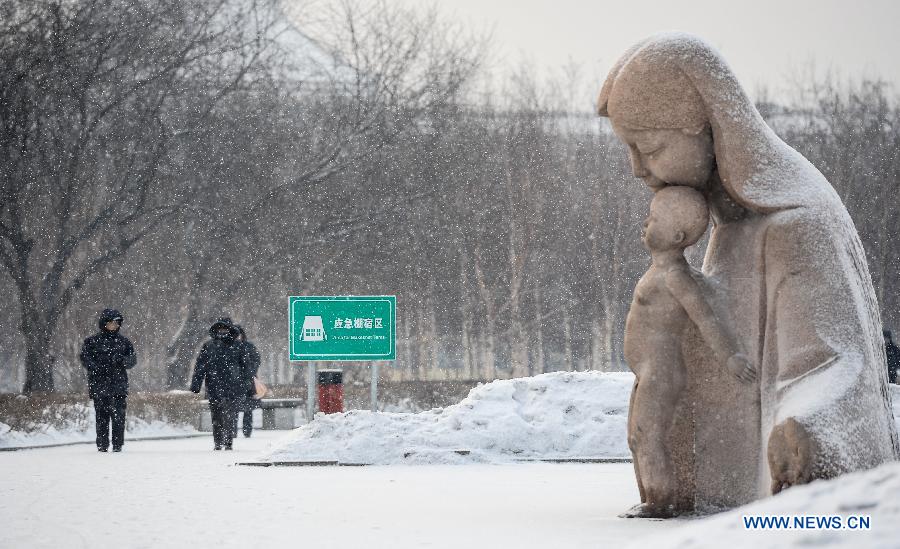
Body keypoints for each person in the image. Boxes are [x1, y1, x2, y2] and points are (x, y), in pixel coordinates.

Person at [597, 33, 899, 510]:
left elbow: (833, 365)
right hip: (729, 513)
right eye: (630, 150)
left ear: (706, 125)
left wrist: (803, 429)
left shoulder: (799, 224)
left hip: (796, 522)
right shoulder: (733, 224)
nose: (637, 168)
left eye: (650, 148)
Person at [624, 187, 756, 517]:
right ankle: (657, 497)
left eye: (654, 219)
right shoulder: (661, 271)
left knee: (648, 436)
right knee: (639, 438)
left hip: (661, 371)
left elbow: (705, 317)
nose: (645, 223)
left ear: (678, 234)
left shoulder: (676, 277)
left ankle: (661, 502)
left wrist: (730, 356)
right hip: (647, 371)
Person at [79, 309, 136, 452]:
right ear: (104, 323)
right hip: (99, 385)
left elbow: (132, 360)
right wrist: (97, 367)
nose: (114, 325)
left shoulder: (124, 342)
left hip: (118, 385)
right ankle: (102, 444)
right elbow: (85, 359)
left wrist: (122, 360)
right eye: (111, 322)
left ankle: (117, 445)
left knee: (118, 417)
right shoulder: (92, 341)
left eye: (117, 323)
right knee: (101, 417)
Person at [190, 318, 249, 450]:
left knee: (230, 415)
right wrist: (196, 385)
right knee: (216, 416)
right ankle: (218, 442)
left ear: (230, 330)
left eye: (225, 329)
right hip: (213, 386)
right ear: (215, 330)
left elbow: (246, 367)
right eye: (220, 329)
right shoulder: (208, 346)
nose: (222, 332)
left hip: (233, 386)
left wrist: (246, 384)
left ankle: (228, 441)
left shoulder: (238, 346)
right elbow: (200, 366)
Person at [233, 324, 261, 438]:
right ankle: (232, 431)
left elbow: (256, 360)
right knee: (233, 408)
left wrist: (249, 372)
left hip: (248, 381)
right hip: (234, 382)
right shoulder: (230, 347)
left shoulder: (249, 346)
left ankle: (247, 429)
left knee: (248, 407)